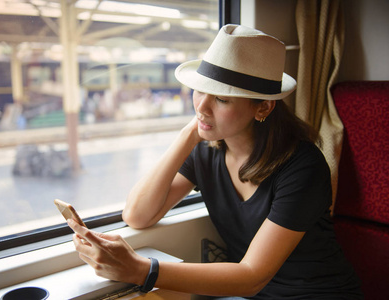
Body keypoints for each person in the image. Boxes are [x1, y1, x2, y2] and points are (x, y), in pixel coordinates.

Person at [67, 24, 363, 299]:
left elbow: (252, 275)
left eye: (222, 99)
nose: (202, 106)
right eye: (200, 90)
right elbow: (138, 215)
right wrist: (189, 135)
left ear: (263, 107)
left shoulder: (303, 167)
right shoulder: (207, 151)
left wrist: (140, 269)